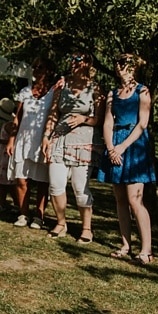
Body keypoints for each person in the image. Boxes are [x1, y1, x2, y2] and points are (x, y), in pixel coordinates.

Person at [103, 55, 156, 261]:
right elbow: (107, 122)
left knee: (135, 200)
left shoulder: (142, 91)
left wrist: (122, 147)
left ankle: (146, 250)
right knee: (120, 199)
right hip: (115, 142)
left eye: (123, 63)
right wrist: (111, 148)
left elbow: (142, 123)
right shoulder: (112, 93)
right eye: (117, 63)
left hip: (134, 146)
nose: (119, 67)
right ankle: (125, 245)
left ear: (133, 67)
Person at [44, 56, 97, 243]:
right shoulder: (63, 84)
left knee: (80, 187)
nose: (74, 64)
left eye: (79, 61)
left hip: (83, 141)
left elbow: (99, 118)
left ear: (87, 64)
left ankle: (86, 228)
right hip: (60, 139)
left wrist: (84, 119)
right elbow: (53, 112)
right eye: (72, 61)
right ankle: (61, 223)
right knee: (55, 183)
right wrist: (46, 136)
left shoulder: (95, 88)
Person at [9, 67, 55, 225]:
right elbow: (18, 117)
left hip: (42, 141)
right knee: (21, 179)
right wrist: (11, 139)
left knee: (42, 180)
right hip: (23, 139)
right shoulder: (25, 91)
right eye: (35, 69)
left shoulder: (54, 92)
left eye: (41, 70)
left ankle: (39, 216)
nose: (37, 73)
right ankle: (23, 214)